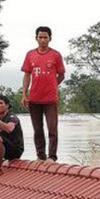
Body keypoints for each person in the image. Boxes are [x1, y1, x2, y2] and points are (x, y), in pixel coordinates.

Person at [21, 26, 65, 163]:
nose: (43, 40)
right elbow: (27, 75)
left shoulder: (55, 55)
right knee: (37, 130)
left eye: (45, 37)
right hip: (34, 98)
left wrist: (52, 85)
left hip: (50, 99)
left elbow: (61, 75)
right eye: (40, 37)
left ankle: (52, 156)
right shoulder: (30, 55)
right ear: (36, 38)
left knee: (52, 129)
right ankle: (40, 156)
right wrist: (24, 94)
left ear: (50, 38)